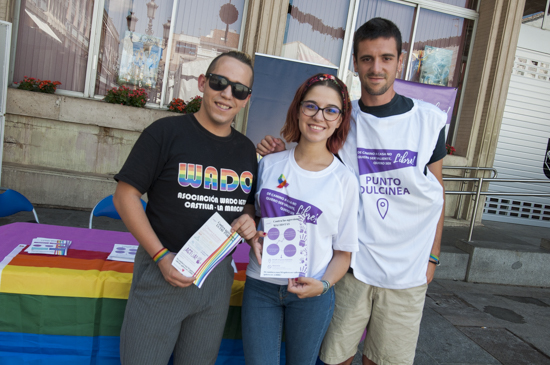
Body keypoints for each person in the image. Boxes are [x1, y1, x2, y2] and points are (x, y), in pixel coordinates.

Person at [256, 18, 447, 365]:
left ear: (400, 61)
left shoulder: (429, 121)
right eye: (367, 59)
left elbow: (437, 194)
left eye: (386, 58)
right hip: (352, 267)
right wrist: (276, 153)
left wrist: (433, 255)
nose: (377, 68)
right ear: (356, 63)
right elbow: (305, 157)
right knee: (335, 358)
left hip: (408, 269)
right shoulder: (342, 118)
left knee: (383, 360)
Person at [113, 50, 258, 365]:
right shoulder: (165, 133)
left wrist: (248, 221)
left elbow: (246, 207)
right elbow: (125, 196)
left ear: (246, 99)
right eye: (220, 82)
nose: (227, 94)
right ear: (203, 83)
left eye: (239, 89)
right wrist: (161, 257)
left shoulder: (246, 150)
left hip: (216, 278)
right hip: (164, 270)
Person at [242, 73, 359, 365]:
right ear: (297, 109)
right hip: (261, 286)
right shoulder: (269, 163)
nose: (319, 116)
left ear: (340, 119)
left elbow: (344, 253)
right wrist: (250, 234)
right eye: (311, 106)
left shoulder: (344, 180)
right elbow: (249, 213)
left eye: (331, 110)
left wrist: (325, 285)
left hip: (313, 292)